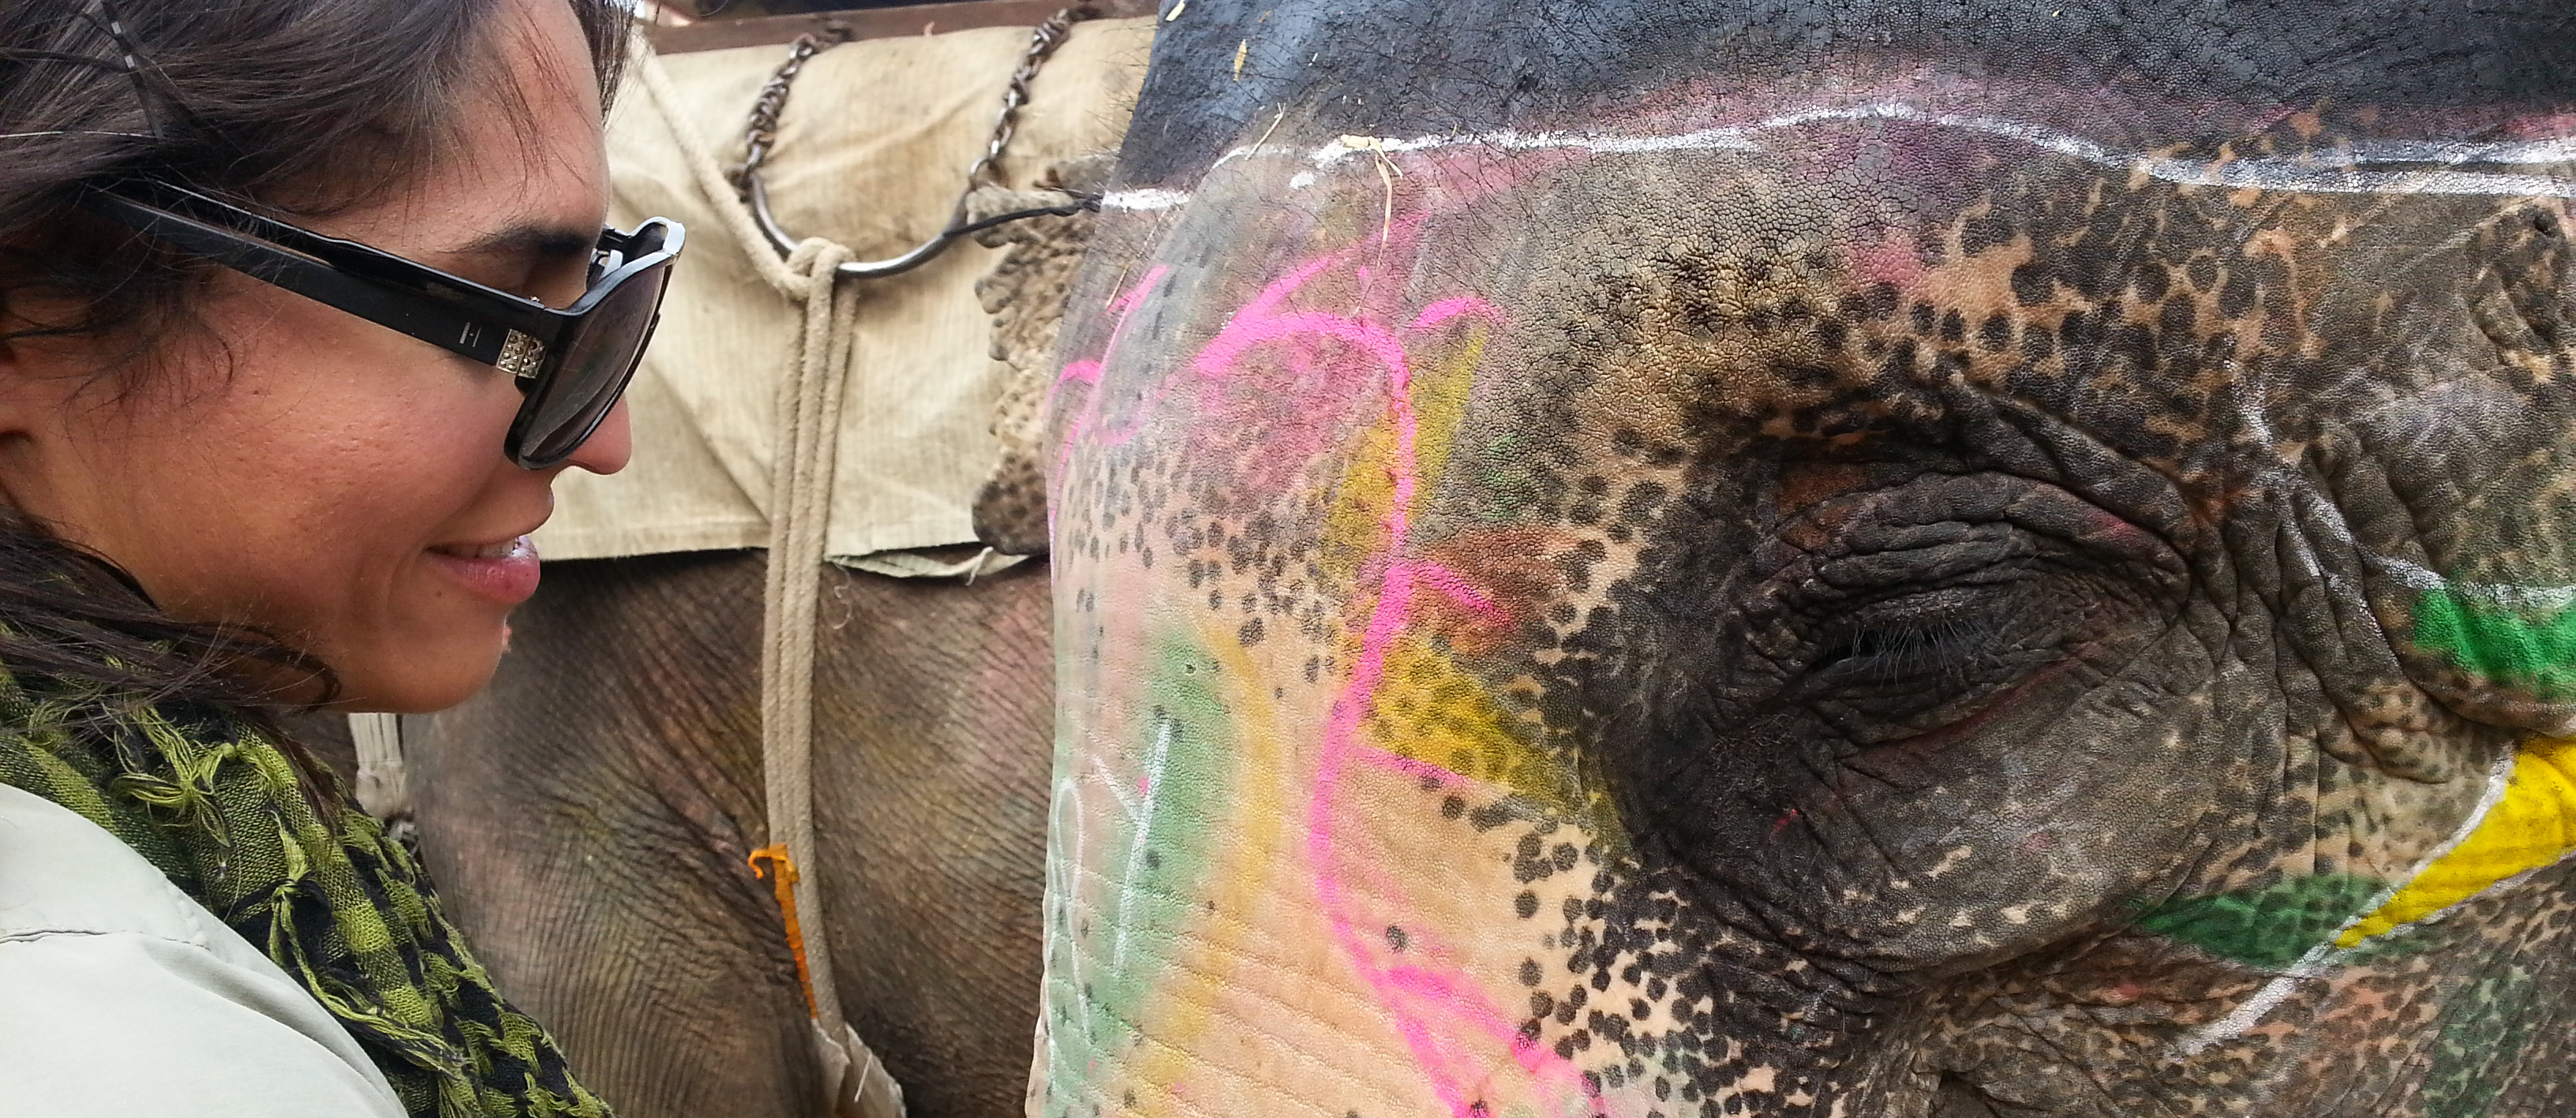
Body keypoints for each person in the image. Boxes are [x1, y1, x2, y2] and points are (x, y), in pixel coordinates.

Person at [0, 1, 680, 1114]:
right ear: (22, 320)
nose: (606, 442)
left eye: (608, 297)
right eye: (511, 319)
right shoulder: (121, 1043)